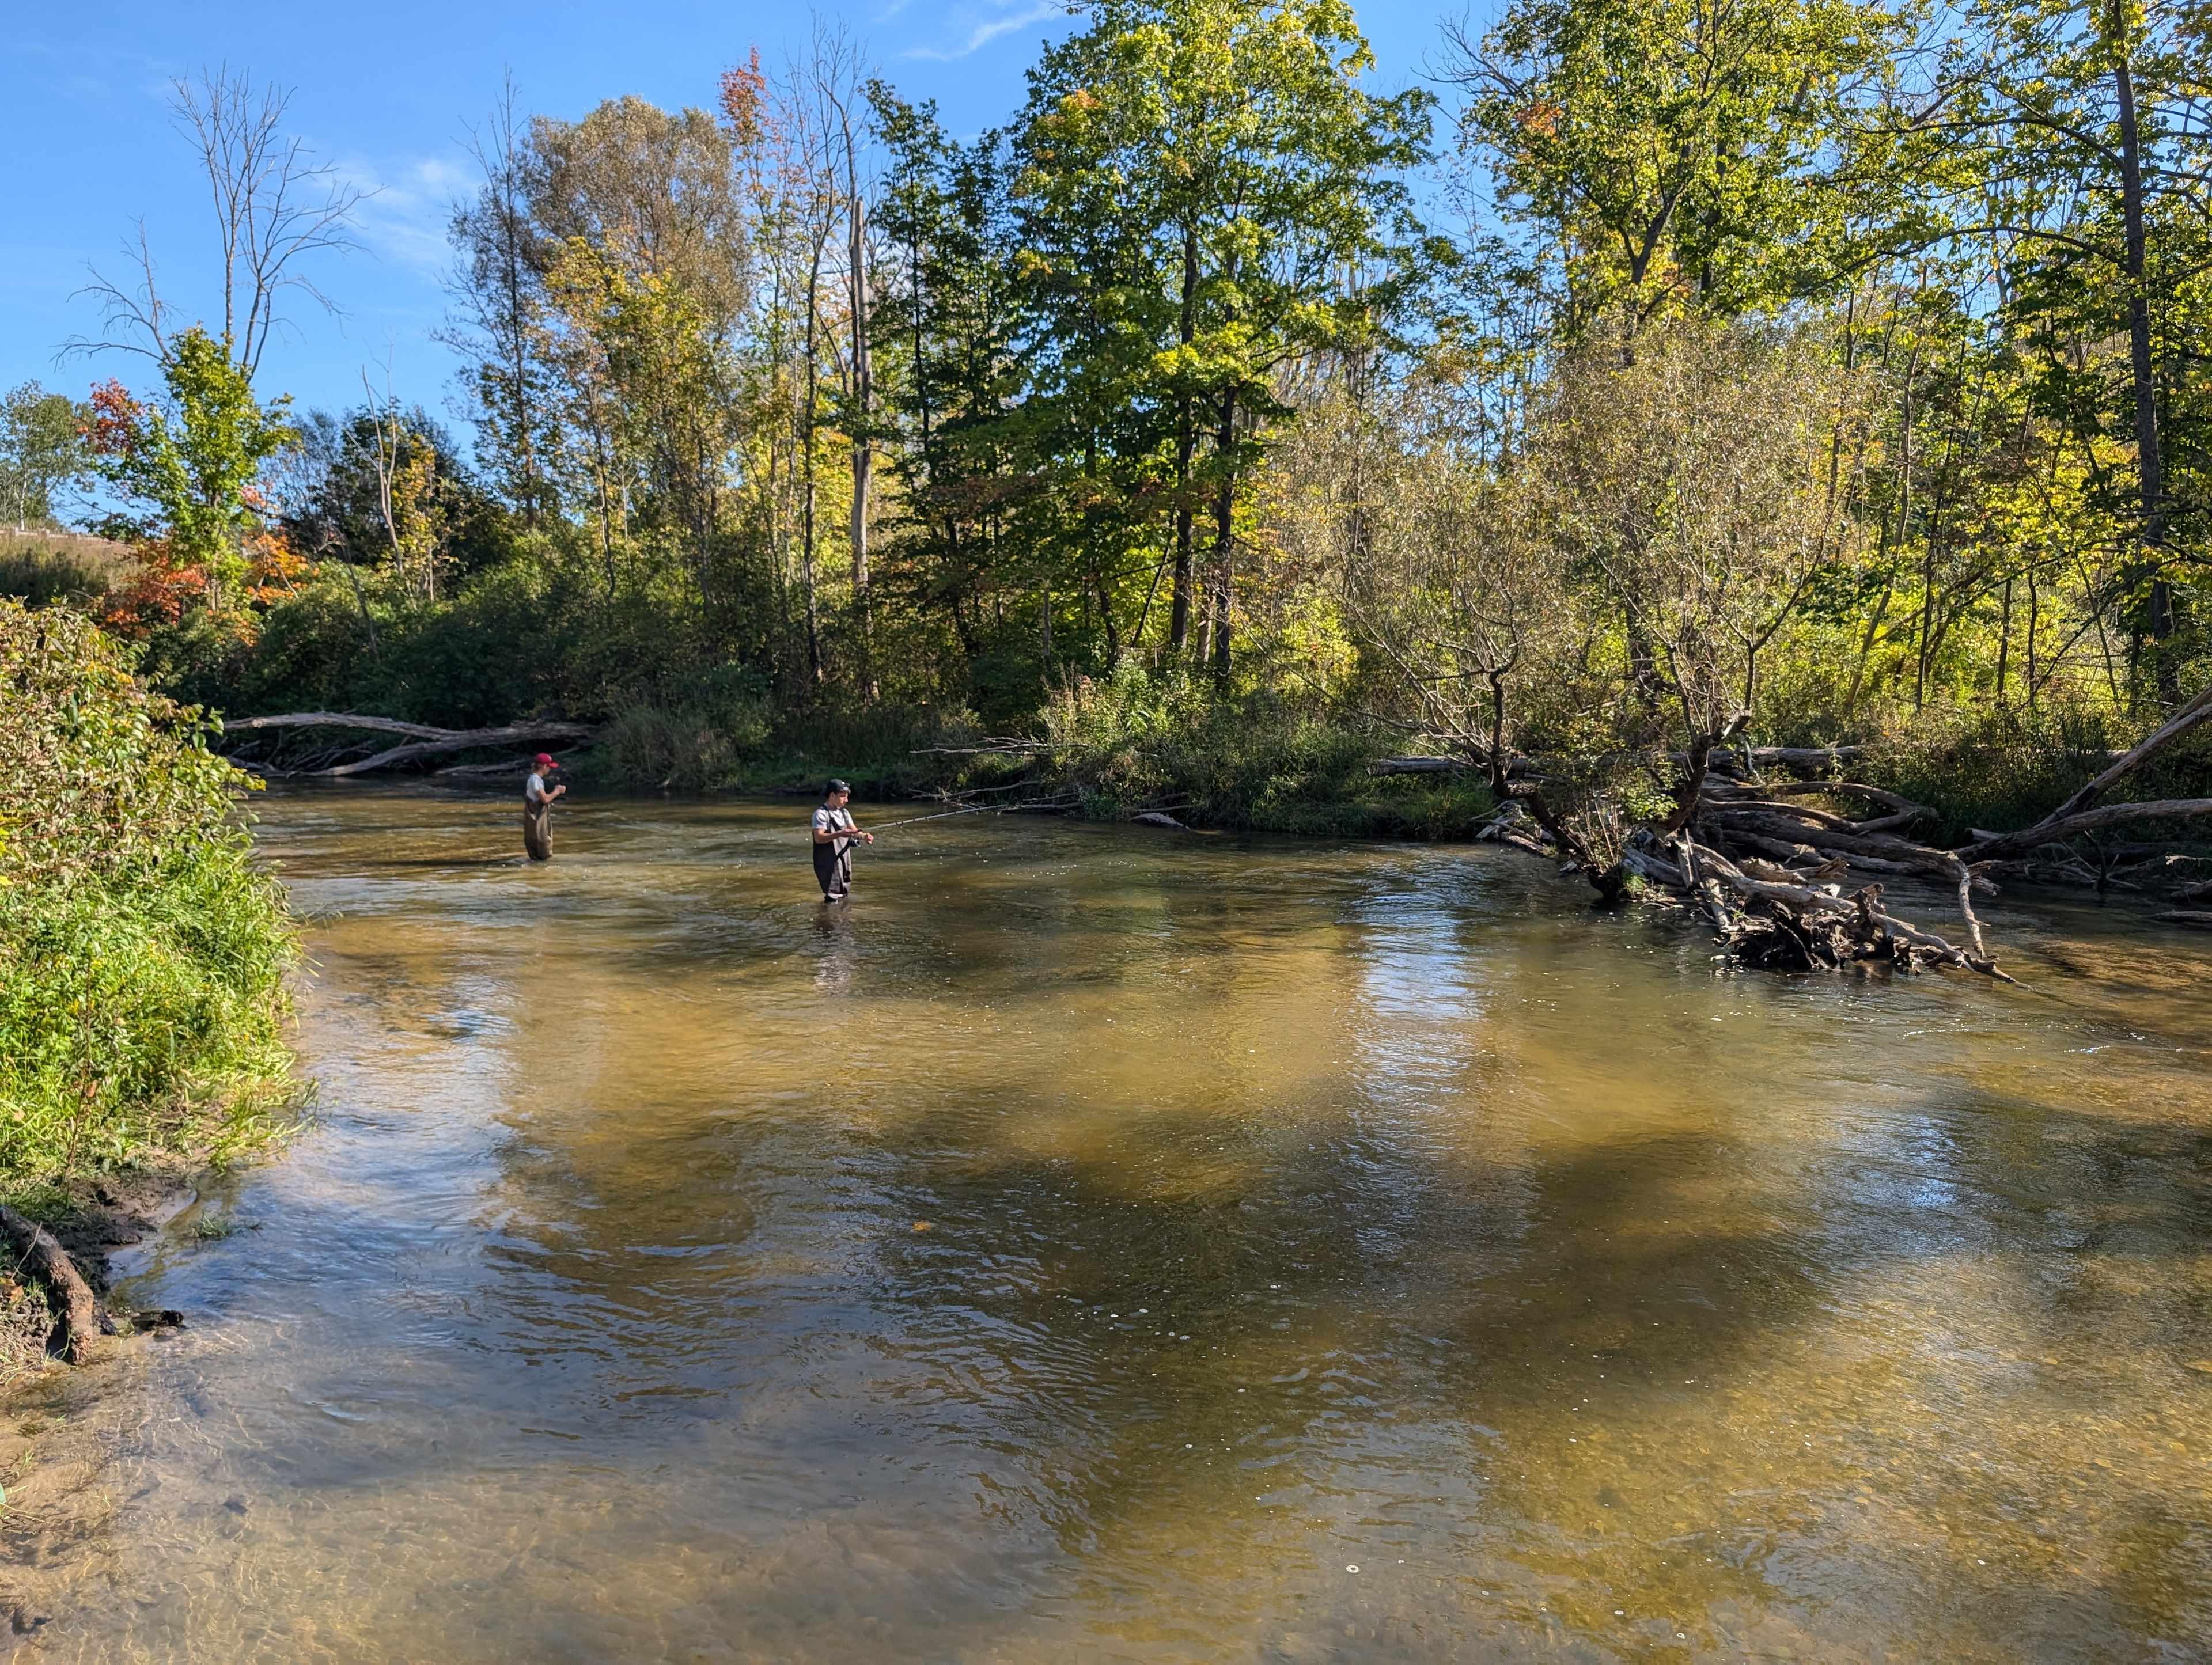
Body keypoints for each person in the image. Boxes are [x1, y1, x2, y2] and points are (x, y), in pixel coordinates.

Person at [811, 779, 873, 902]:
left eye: (847, 797)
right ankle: (828, 919)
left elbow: (855, 832)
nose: (846, 800)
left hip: (843, 859)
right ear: (832, 795)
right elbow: (819, 838)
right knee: (833, 896)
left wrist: (864, 836)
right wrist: (840, 833)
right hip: (828, 862)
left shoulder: (844, 813)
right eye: (843, 797)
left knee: (844, 894)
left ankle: (840, 919)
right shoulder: (820, 814)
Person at [523, 752, 566, 862]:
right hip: (537, 822)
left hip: (534, 822)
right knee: (542, 852)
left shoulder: (533, 779)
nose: (550, 769)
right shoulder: (536, 780)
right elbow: (545, 799)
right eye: (549, 766)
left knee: (538, 854)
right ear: (543, 766)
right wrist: (557, 791)